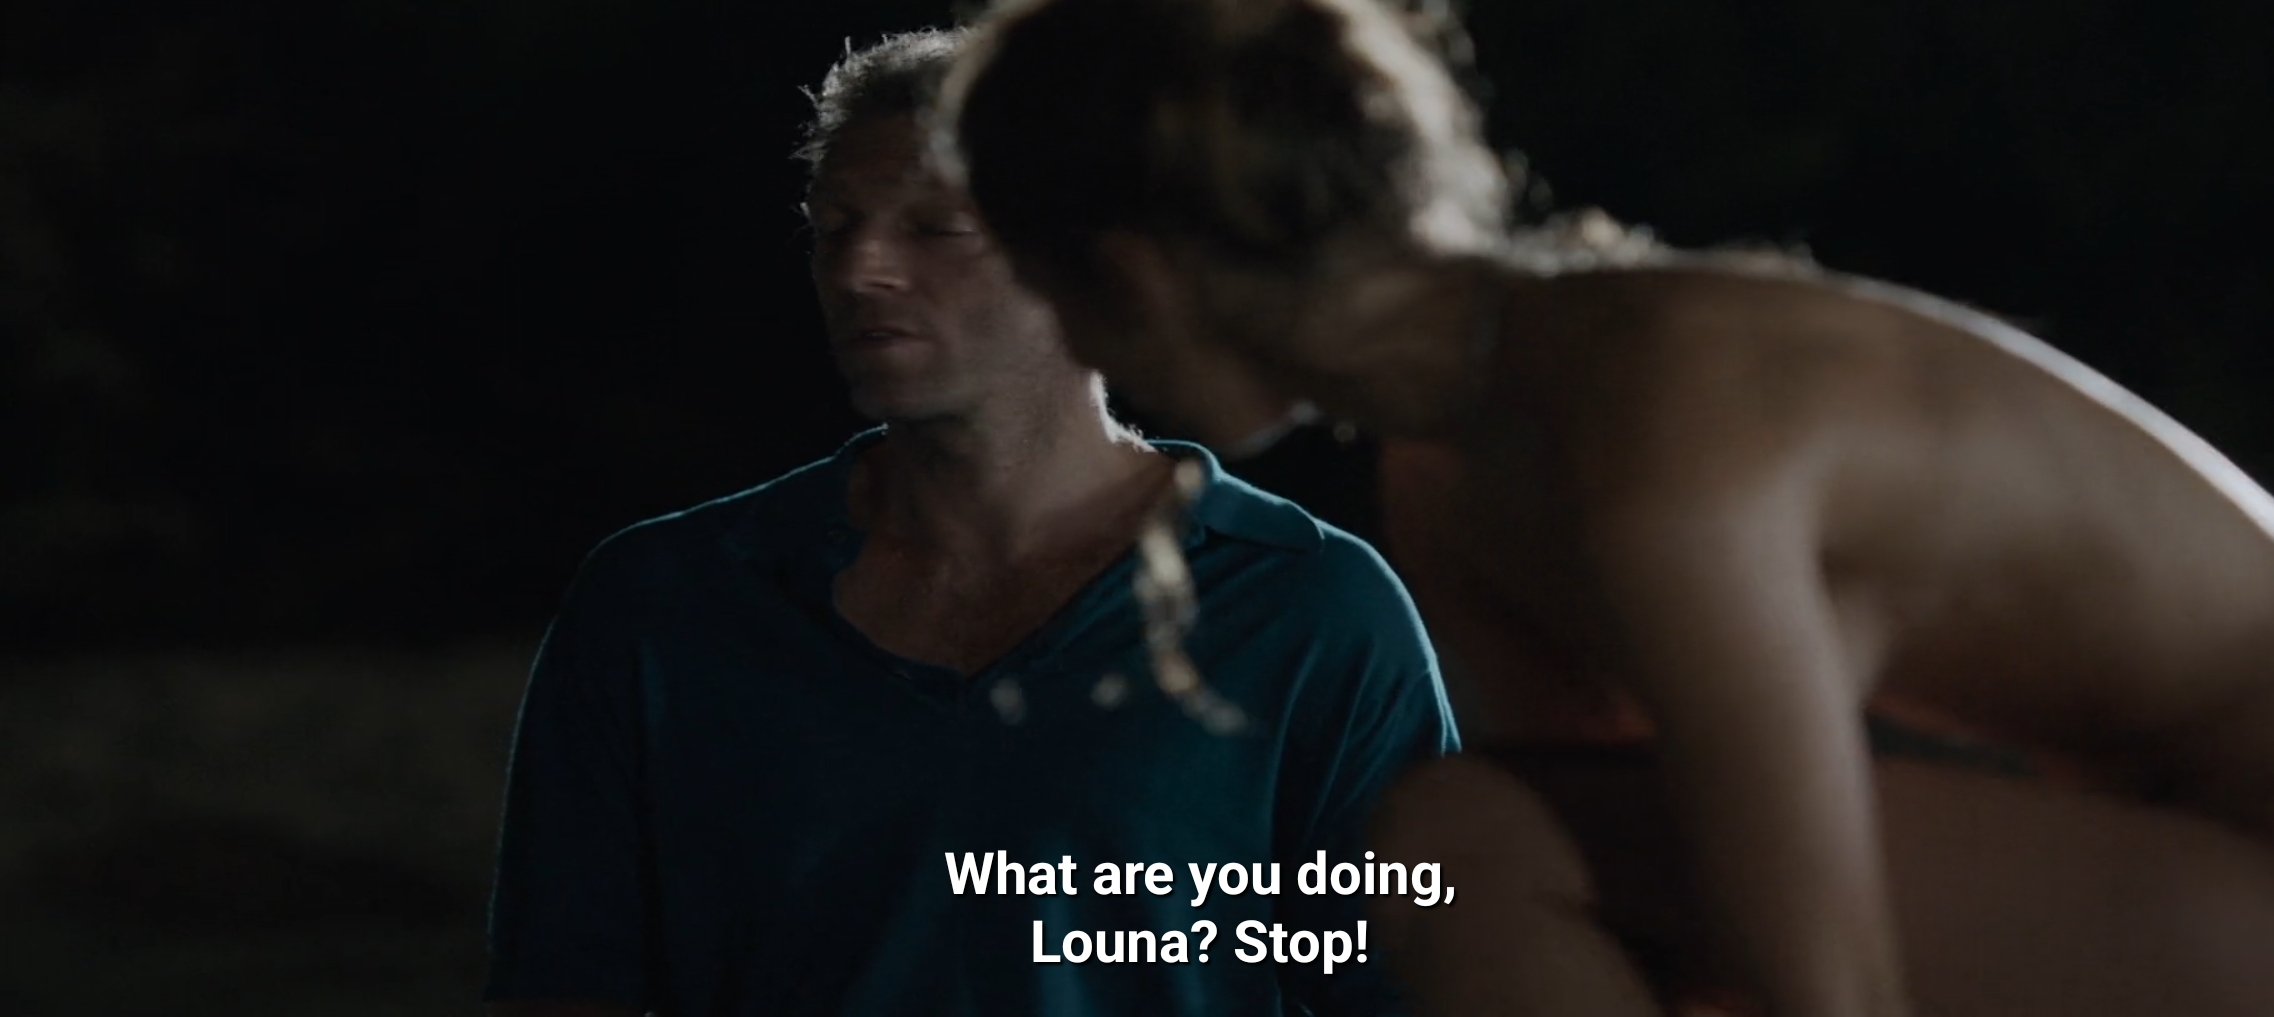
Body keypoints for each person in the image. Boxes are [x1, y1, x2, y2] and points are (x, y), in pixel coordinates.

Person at [941, 1, 2274, 1014]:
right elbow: (1640, 921)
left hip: (2236, 828)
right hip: (2173, 833)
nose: (1073, 352)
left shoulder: (1656, 437)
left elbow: (1823, 981)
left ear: (1134, 273)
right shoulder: (1461, 462)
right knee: (1465, 847)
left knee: (1461, 847)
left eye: (1050, 294)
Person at [483, 27, 1458, 1017]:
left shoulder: (1303, 609)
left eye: (934, 227)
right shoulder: (667, 607)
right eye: (834, 227)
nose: (861, 268)